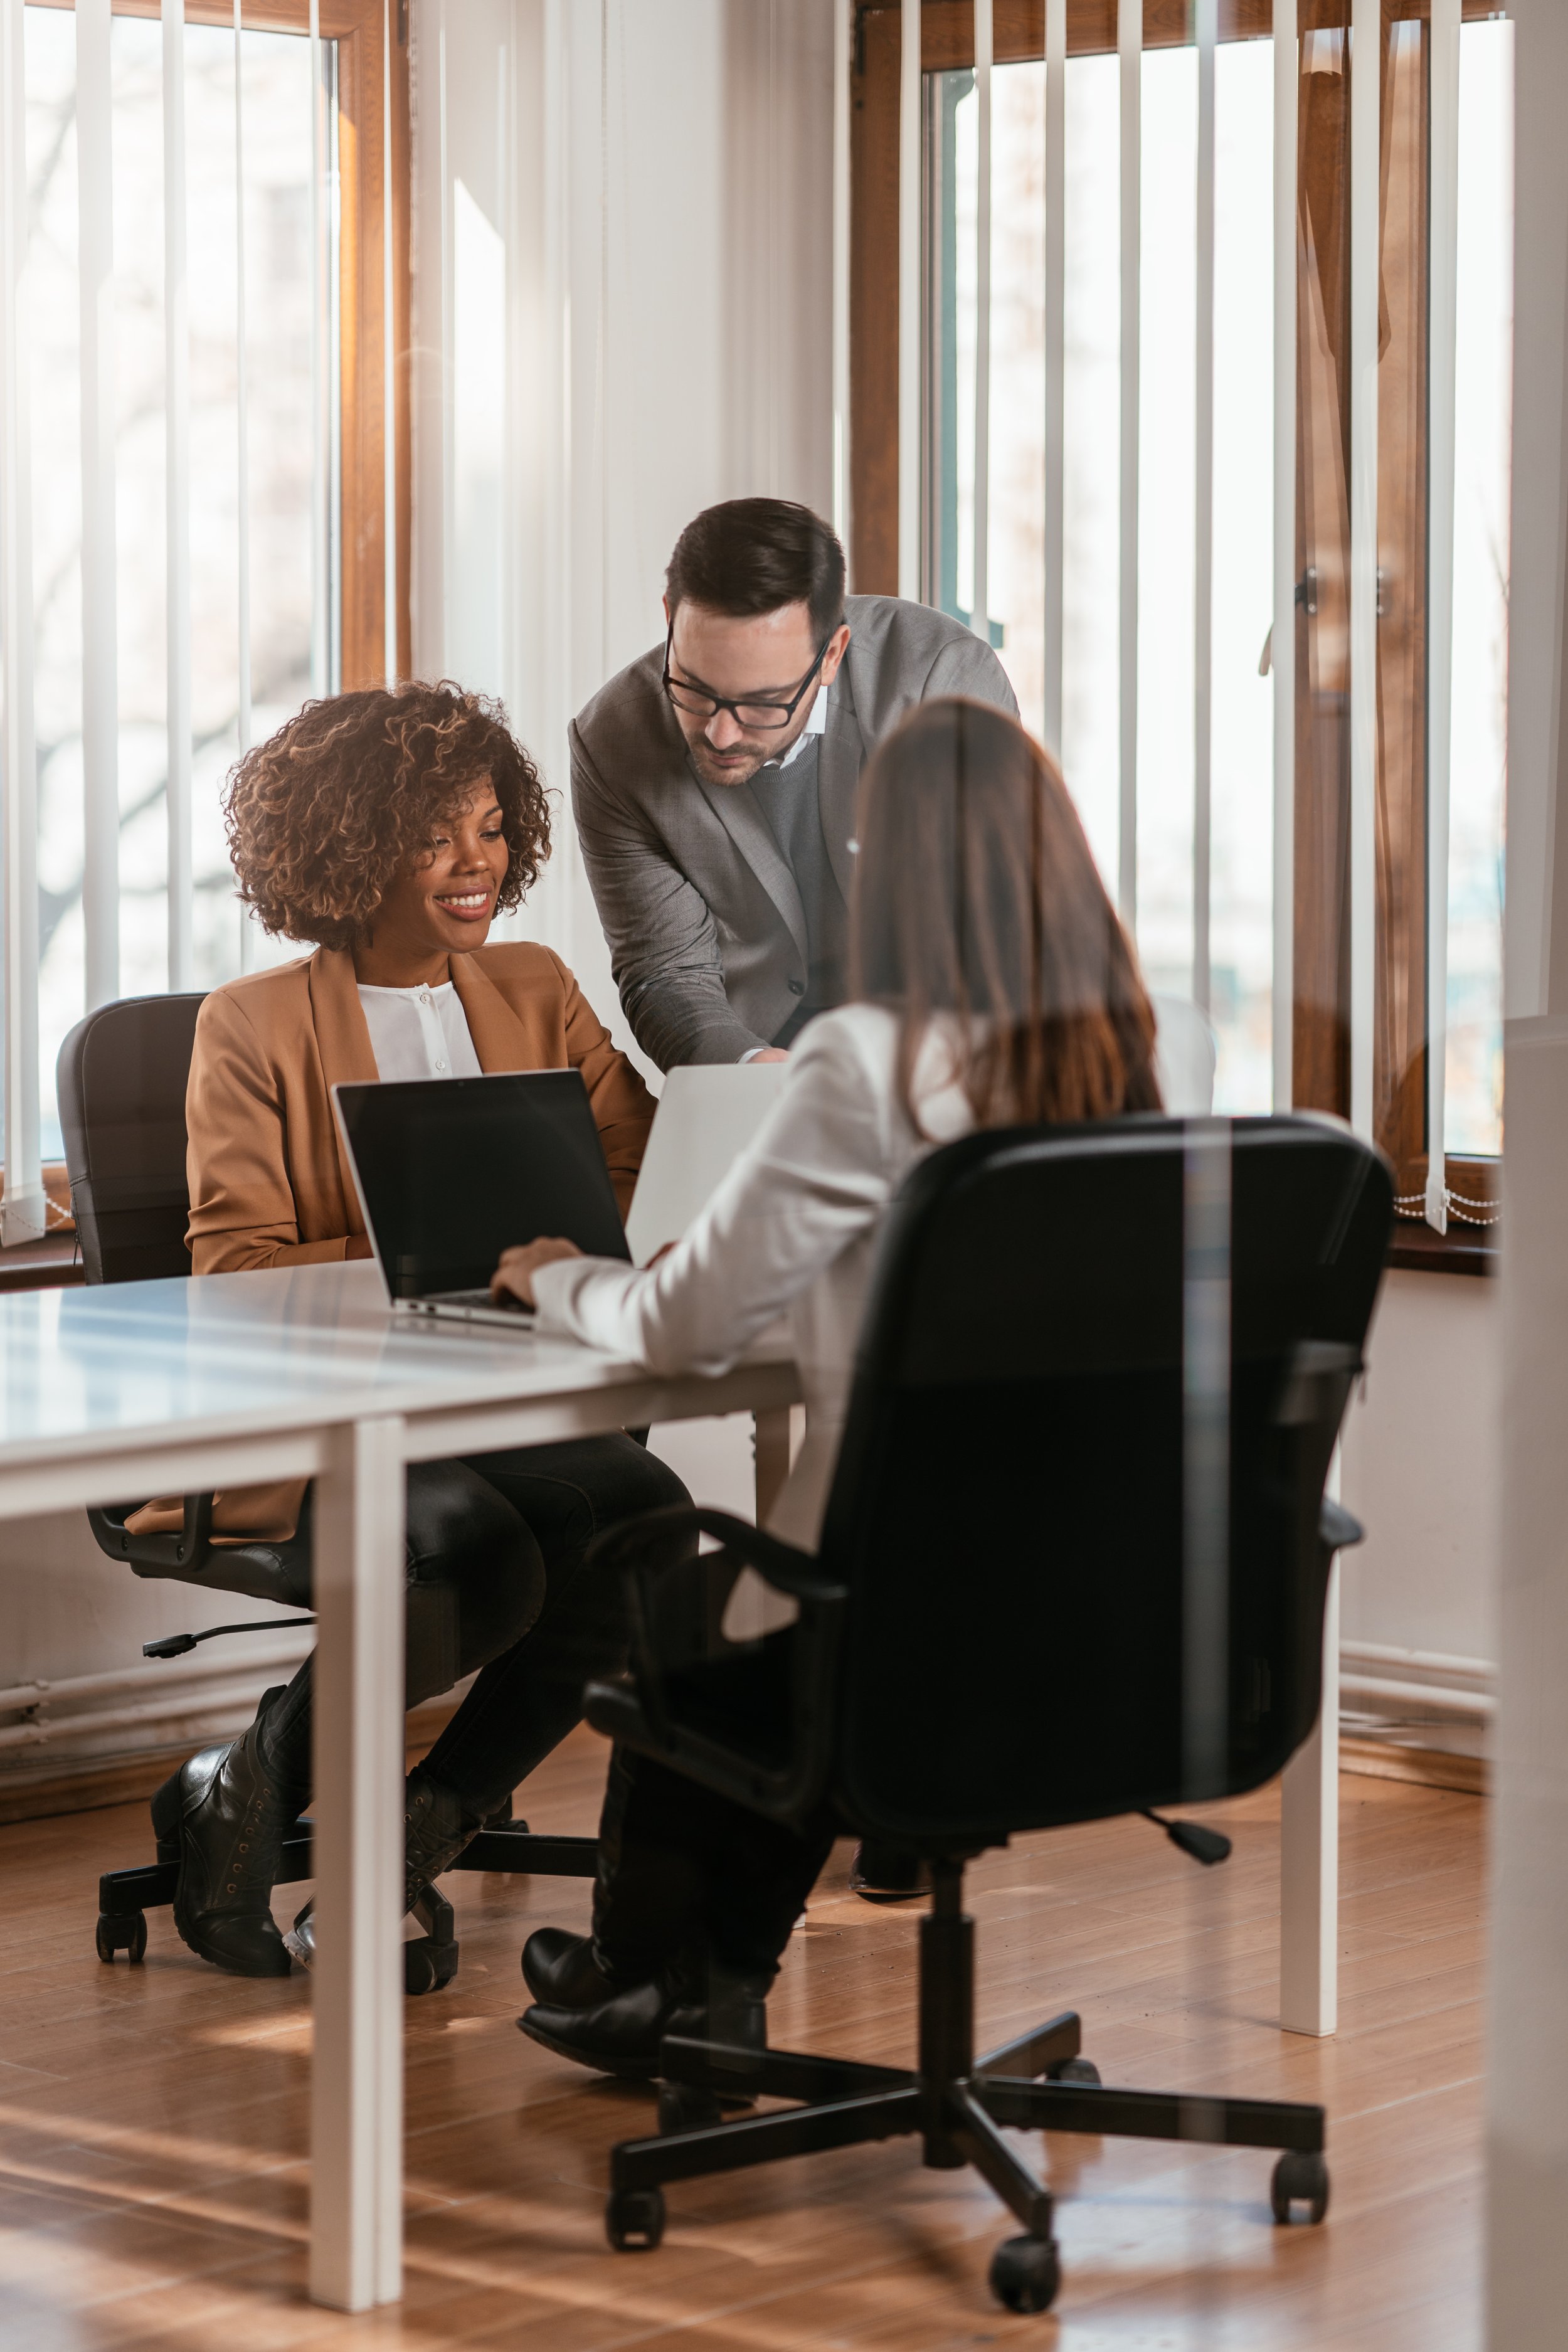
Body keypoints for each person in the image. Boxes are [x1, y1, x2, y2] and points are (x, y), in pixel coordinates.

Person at [489, 698, 1165, 2075]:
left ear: (894, 864)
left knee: (696, 1605)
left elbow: (676, 1331)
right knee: (786, 1623)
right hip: (1089, 1616)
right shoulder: (1123, 1071)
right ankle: (703, 1981)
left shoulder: (868, 1058)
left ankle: (657, 1981)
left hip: (904, 1619)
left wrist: (561, 1277)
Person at [146, 680, 689, 1979]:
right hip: (332, 1414)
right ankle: (251, 1777)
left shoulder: (535, 985)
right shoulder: (254, 1025)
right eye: (433, 835)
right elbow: (238, 1266)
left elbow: (640, 1170)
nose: (474, 866)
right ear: (344, 850)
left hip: (511, 1395)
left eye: (493, 831)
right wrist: (453, 1254)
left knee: (650, 1528)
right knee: (483, 1558)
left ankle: (410, 1831)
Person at [570, 496, 1018, 1073]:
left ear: (831, 654)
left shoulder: (943, 684)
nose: (721, 733)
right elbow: (665, 972)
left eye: (762, 703)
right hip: (751, 1051)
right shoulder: (612, 742)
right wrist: (753, 1069)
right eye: (694, 688)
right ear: (669, 618)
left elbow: (986, 928)